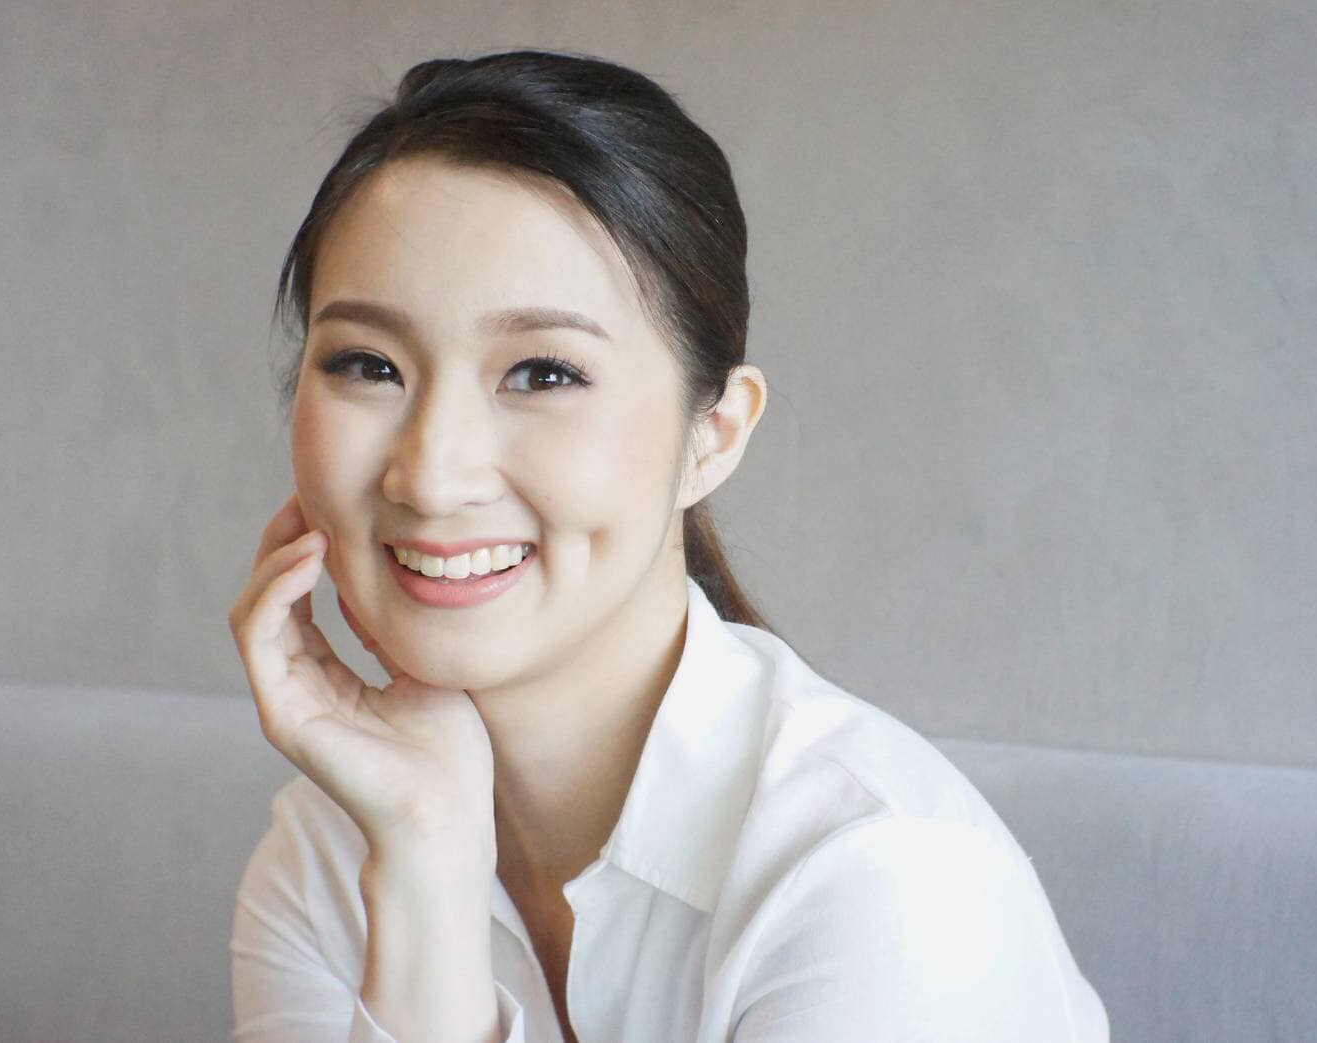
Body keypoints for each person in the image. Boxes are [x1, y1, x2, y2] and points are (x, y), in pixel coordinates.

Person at [228, 49, 1108, 1043]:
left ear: (713, 436)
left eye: (543, 374)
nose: (431, 476)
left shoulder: (881, 879)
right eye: (368, 364)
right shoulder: (334, 849)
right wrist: (427, 859)